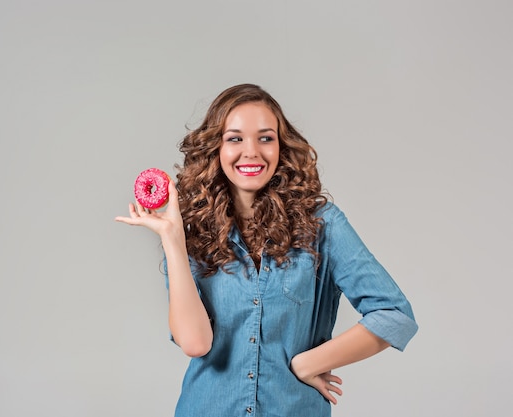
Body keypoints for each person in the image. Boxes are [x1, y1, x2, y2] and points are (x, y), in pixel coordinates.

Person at [115, 83, 418, 417]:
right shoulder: (192, 231)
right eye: (235, 138)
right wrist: (173, 241)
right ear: (216, 148)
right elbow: (195, 343)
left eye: (265, 137)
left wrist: (309, 362)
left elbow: (394, 315)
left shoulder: (321, 225)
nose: (251, 152)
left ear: (281, 146)